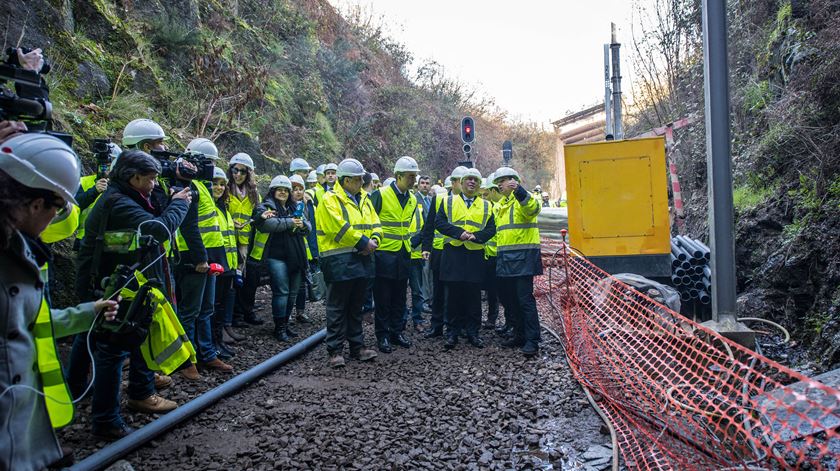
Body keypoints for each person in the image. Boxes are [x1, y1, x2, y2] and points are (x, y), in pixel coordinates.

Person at [0, 133, 120, 470]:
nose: (55, 220)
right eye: (56, 208)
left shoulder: (20, 252)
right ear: (36, 204)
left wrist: (89, 313)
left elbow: (28, 321)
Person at [76, 149, 192, 439]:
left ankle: (78, 391)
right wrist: (180, 204)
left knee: (93, 338)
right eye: (150, 179)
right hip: (111, 284)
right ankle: (107, 420)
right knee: (112, 349)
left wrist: (168, 192)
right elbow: (160, 227)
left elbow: (152, 213)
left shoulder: (128, 196)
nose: (154, 184)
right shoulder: (118, 202)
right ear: (132, 177)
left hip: (117, 280)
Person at [174, 138, 233, 380]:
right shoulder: (190, 186)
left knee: (206, 309)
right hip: (194, 258)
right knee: (190, 310)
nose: (210, 167)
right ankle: (187, 360)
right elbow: (189, 226)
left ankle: (207, 353)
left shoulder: (203, 187)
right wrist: (200, 258)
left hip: (210, 257)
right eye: (207, 162)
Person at [315, 158, 380, 368]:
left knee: (356, 305)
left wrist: (375, 240)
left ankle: (357, 347)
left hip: (361, 258)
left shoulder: (365, 199)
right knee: (337, 306)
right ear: (346, 181)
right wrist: (363, 242)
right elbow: (338, 227)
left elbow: (375, 223)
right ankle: (334, 351)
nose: (362, 182)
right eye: (358, 179)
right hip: (338, 259)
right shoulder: (330, 199)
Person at [434, 168, 495, 350]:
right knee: (453, 295)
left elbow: (491, 229)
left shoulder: (486, 205)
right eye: (468, 179)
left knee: (473, 296)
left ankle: (473, 333)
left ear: (479, 185)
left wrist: (476, 236)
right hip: (454, 253)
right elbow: (439, 223)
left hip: (475, 254)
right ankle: (452, 333)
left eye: (475, 180)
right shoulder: (448, 202)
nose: (472, 182)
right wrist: (459, 233)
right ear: (461, 183)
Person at [369, 156, 421, 353]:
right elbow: (370, 221)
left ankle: (396, 331)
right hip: (384, 254)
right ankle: (382, 335)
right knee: (383, 297)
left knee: (400, 296)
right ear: (398, 176)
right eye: (410, 176)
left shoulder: (413, 199)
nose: (413, 180)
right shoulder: (380, 195)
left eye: (414, 176)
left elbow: (406, 227)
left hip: (403, 254)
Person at [250, 175, 311, 341]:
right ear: (273, 191)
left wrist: (302, 225)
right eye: (280, 190)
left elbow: (308, 227)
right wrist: (291, 222)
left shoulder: (295, 207)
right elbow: (267, 225)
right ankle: (279, 328)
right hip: (276, 257)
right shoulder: (266, 206)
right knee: (282, 291)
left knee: (292, 293)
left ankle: (285, 324)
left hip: (296, 256)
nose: (283, 193)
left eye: (286, 190)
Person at [493, 167, 543, 356]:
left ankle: (532, 339)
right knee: (511, 300)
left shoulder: (524, 199)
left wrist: (520, 191)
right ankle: (519, 334)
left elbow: (533, 208)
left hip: (524, 259)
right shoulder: (501, 205)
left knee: (524, 300)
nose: (499, 184)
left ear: (513, 181)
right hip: (506, 259)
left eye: (503, 180)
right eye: (498, 181)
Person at [422, 166, 467, 339]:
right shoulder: (439, 199)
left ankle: (458, 324)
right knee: (438, 290)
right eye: (460, 181)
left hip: (459, 251)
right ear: (454, 183)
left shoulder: (469, 201)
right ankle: (437, 325)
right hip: (440, 251)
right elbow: (429, 226)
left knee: (459, 289)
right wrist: (426, 247)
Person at [226, 152, 263, 330]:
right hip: (228, 240)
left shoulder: (253, 193)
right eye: (235, 170)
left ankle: (242, 313)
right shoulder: (224, 188)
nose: (238, 175)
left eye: (242, 171)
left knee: (242, 278)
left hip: (245, 242)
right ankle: (232, 316)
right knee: (231, 279)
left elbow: (258, 212)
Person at [210, 167, 238, 360]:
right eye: (215, 183)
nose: (219, 187)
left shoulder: (223, 207)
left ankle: (218, 342)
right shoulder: (207, 206)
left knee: (219, 306)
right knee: (212, 307)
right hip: (215, 265)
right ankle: (212, 344)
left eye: (222, 184)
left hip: (227, 264)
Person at [415, 175, 434, 314]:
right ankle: (424, 300)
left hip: (431, 240)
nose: (425, 185)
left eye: (427, 183)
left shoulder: (431, 200)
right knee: (424, 271)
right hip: (420, 240)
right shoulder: (415, 199)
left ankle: (431, 299)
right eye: (422, 183)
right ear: (418, 185)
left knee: (430, 271)